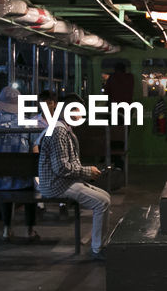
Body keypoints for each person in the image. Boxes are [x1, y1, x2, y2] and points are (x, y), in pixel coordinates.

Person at [37, 90, 111, 258]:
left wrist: (86, 172)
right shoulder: (59, 131)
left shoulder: (62, 128)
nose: (80, 116)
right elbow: (61, 168)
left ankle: (100, 244)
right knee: (102, 202)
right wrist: (87, 171)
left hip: (61, 181)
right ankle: (98, 248)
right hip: (56, 184)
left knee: (105, 196)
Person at [0, 84, 41, 242]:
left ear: (0, 104)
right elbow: (34, 153)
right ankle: (30, 230)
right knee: (30, 185)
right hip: (23, 181)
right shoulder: (29, 124)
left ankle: (7, 229)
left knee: (3, 180)